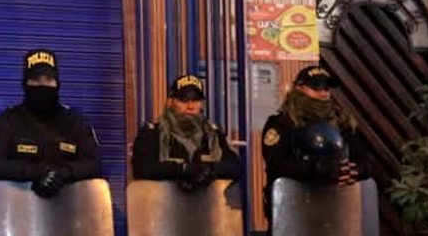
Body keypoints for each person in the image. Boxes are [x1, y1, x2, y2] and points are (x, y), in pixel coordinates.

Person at [0, 49, 102, 197]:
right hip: (17, 207)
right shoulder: (8, 120)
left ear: (57, 83)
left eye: (48, 80)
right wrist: (35, 172)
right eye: (36, 80)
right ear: (25, 83)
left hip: (69, 208)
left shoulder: (75, 121)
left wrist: (64, 173)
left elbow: (94, 164)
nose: (42, 85)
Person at [261, 64, 367, 216]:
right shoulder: (282, 122)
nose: (323, 93)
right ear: (299, 88)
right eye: (316, 87)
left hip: (336, 207)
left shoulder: (342, 121)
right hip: (291, 208)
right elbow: (276, 164)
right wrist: (315, 169)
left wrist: (356, 171)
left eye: (326, 88)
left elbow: (363, 159)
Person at [131, 74, 241, 190]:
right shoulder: (152, 133)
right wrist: (182, 170)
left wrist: (209, 170)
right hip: (163, 200)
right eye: (184, 100)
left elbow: (235, 167)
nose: (190, 106)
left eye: (195, 100)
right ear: (170, 102)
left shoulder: (213, 135)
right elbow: (142, 168)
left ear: (202, 104)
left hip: (207, 200)